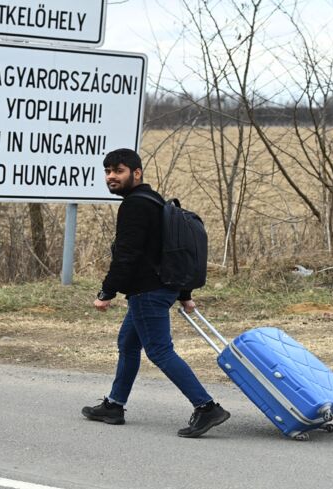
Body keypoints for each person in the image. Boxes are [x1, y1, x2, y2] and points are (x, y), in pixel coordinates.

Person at [81, 148, 230, 438]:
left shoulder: (135, 205)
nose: (111, 176)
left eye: (118, 171)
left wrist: (106, 292)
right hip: (160, 287)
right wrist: (183, 292)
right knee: (127, 342)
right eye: (108, 171)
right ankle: (114, 405)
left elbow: (126, 255)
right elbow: (174, 250)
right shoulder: (155, 201)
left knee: (160, 351)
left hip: (147, 291)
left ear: (136, 173)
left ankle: (207, 407)